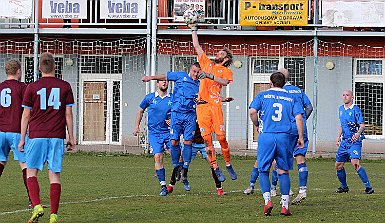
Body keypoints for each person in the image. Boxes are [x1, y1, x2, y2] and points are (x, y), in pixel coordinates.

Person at [18, 52, 75, 223]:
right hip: (57, 136)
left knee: (31, 171)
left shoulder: (31, 87)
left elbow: (25, 115)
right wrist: (71, 137)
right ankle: (53, 216)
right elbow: (68, 114)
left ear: (39, 68)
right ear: (55, 67)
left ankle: (36, 205)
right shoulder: (65, 86)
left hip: (36, 136)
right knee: (54, 174)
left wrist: (22, 139)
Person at [249, 72, 304, 216]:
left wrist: (257, 124)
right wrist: (300, 137)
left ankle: (267, 201)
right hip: (284, 137)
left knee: (263, 170)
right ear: (284, 83)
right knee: (283, 170)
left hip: (266, 136)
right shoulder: (291, 97)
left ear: (270, 82)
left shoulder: (262, 95)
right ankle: (285, 206)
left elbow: (252, 112)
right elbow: (299, 117)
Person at [142, 62, 201, 192]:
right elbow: (165, 76)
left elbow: (206, 97)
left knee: (186, 145)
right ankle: (168, 179)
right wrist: (150, 77)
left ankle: (183, 171)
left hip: (188, 117)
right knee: (166, 149)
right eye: (194, 71)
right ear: (190, 70)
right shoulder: (180, 76)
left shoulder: (199, 85)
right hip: (165, 125)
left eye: (198, 72)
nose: (195, 74)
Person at [191, 25, 237, 182]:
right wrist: (193, 29)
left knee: (222, 137)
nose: (217, 54)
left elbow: (224, 82)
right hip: (202, 106)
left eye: (221, 53)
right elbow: (197, 46)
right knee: (207, 139)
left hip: (215, 106)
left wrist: (209, 76)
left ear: (226, 59)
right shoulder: (206, 63)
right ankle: (216, 168)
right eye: (218, 52)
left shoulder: (225, 71)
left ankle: (228, 164)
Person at [279, 68, 313, 205]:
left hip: (286, 128)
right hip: (300, 128)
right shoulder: (298, 90)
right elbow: (309, 107)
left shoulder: (280, 92)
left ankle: (283, 192)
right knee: (300, 158)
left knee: (281, 158)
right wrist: (302, 120)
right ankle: (302, 190)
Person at [133, 80, 172, 196]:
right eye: (162, 82)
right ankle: (163, 186)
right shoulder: (149, 98)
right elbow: (140, 111)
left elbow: (179, 112)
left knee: (177, 156)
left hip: (169, 133)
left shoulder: (173, 98)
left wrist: (174, 120)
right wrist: (136, 126)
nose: (164, 83)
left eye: (166, 82)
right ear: (157, 84)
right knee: (158, 156)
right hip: (155, 133)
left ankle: (181, 176)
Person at [0, 60, 31, 206]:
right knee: (26, 165)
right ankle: (33, 201)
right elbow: (28, 109)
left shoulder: (0, 87)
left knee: (0, 162)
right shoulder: (22, 87)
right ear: (18, 71)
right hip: (16, 131)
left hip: (0, 132)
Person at [335, 90, 374, 194]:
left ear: (352, 97)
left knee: (355, 163)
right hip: (344, 142)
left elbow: (362, 126)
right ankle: (344, 187)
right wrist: (338, 137)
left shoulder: (356, 110)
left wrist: (357, 134)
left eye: (347, 95)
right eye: (343, 95)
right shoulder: (341, 109)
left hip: (354, 141)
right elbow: (342, 125)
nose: (345, 97)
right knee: (338, 165)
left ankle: (368, 187)